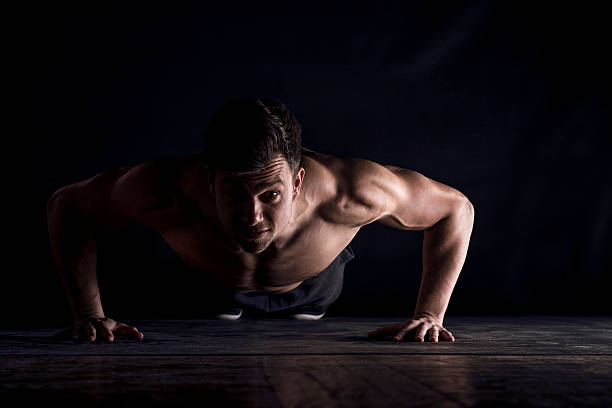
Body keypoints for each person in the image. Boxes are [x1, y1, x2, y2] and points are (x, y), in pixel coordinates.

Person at [46, 97, 474, 343]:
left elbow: (456, 209)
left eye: (270, 194)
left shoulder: (353, 191)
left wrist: (430, 315)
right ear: (209, 179)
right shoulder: (164, 189)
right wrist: (89, 314)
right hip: (209, 286)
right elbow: (67, 206)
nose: (252, 215)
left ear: (297, 181)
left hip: (313, 289)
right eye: (233, 194)